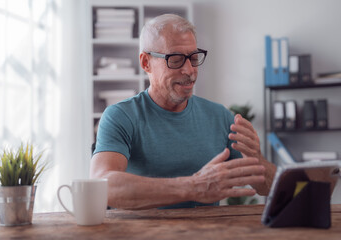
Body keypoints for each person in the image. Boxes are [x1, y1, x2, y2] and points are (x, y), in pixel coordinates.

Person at [90, 14, 276, 210]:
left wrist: (257, 158)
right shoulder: (121, 116)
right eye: (176, 59)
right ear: (146, 63)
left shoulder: (220, 117)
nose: (189, 70)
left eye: (194, 58)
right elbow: (103, 186)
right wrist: (193, 187)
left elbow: (265, 187)